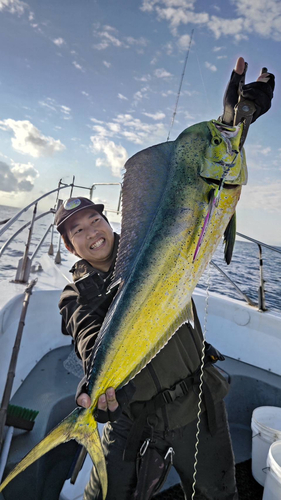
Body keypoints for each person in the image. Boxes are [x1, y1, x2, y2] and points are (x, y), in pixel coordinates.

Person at [56, 57, 274, 500]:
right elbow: (88, 334)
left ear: (109, 220)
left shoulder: (154, 246)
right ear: (70, 247)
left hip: (195, 399)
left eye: (93, 220)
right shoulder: (75, 293)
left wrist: (240, 116)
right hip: (128, 415)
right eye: (76, 230)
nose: (90, 232)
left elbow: (202, 175)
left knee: (219, 492)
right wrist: (93, 382)